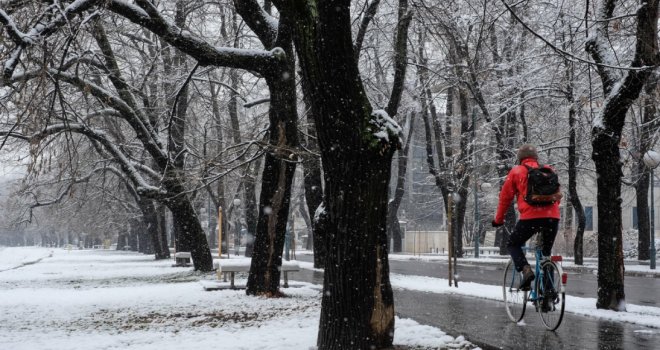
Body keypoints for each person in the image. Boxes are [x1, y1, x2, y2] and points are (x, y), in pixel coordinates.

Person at [492, 144, 561, 293]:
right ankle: (548, 294)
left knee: (512, 244)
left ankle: (526, 270)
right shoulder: (548, 170)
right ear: (536, 158)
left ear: (520, 158)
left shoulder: (516, 171)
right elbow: (557, 196)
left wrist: (498, 220)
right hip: (552, 217)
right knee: (545, 254)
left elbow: (505, 199)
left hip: (530, 218)